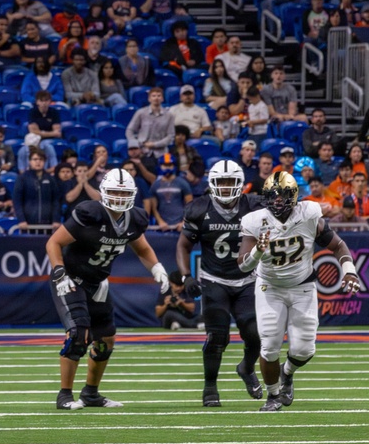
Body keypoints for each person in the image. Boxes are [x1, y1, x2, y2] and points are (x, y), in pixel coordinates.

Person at [47, 168, 169, 410]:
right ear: (103, 192)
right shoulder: (90, 213)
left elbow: (142, 249)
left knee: (106, 339)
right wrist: (59, 271)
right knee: (78, 335)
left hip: (98, 282)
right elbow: (54, 242)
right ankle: (64, 395)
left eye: (123, 193)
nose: (119, 197)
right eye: (114, 191)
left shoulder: (134, 218)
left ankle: (91, 393)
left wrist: (157, 267)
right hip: (71, 278)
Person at [239, 172, 361, 411]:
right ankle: (273, 396)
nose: (276, 201)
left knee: (305, 349)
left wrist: (349, 270)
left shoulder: (309, 214)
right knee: (270, 345)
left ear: (293, 196)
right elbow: (243, 265)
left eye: (282, 195)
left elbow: (337, 245)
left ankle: (287, 373)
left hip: (303, 286)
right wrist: (258, 252)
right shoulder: (254, 221)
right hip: (269, 287)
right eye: (272, 196)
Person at [175, 160, 264, 406]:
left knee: (255, 334)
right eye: (221, 183)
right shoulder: (199, 208)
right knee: (216, 337)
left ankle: (246, 368)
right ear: (212, 184)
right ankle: (210, 386)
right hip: (214, 279)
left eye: (230, 182)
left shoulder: (255, 206)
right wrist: (186, 276)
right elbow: (183, 245)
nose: (225, 188)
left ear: (240, 184)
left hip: (247, 279)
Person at [14, 149, 60, 229]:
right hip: (27, 224)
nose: (38, 162)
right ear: (29, 161)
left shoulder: (51, 179)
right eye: (35, 159)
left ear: (45, 161)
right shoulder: (22, 178)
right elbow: (17, 201)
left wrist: (56, 219)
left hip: (48, 224)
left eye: (41, 159)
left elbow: (56, 201)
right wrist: (21, 220)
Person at [126, 87, 174, 158]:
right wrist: (136, 144)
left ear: (162, 99)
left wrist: (155, 144)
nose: (156, 98)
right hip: (142, 152)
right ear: (149, 99)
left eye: (159, 96)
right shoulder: (141, 113)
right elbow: (129, 130)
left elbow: (170, 136)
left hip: (162, 153)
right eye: (153, 96)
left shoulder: (169, 115)